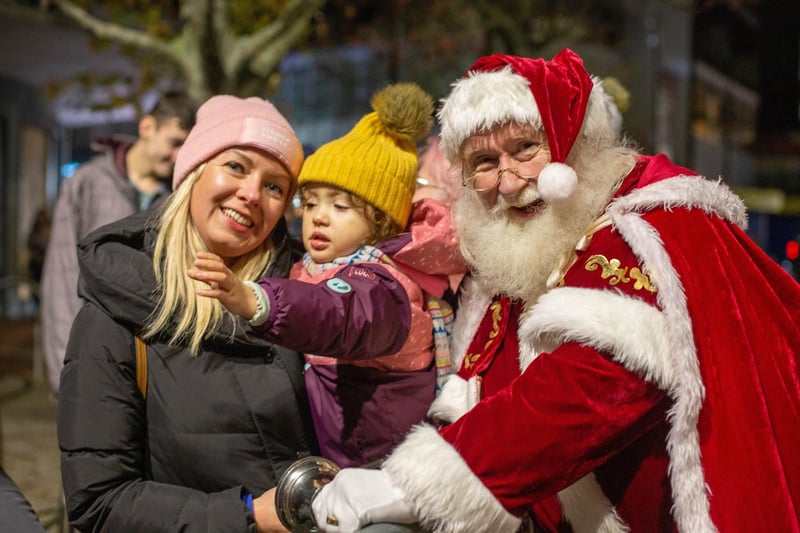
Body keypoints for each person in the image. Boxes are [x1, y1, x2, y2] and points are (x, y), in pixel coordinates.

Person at [309, 49, 800, 532]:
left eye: (525, 148)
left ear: (575, 143)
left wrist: (417, 486)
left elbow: (595, 384)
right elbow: (487, 380)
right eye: (484, 161)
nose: (508, 181)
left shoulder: (649, 224)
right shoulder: (531, 248)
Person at [57, 95, 317, 532]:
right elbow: (99, 501)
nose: (252, 194)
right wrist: (251, 516)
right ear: (193, 173)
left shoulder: (307, 293)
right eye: (235, 166)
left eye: (275, 186)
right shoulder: (118, 307)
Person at [188, 83, 466, 469]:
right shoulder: (314, 266)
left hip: (388, 473)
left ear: (381, 223)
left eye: (340, 206)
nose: (318, 216)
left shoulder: (384, 284)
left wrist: (258, 300)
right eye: (311, 202)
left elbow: (339, 311)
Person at [40, 90, 197, 393]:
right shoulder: (87, 182)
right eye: (175, 142)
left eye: (186, 147)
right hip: (91, 354)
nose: (178, 155)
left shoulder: (178, 198)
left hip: (155, 369)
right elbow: (61, 275)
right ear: (147, 127)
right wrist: (64, 366)